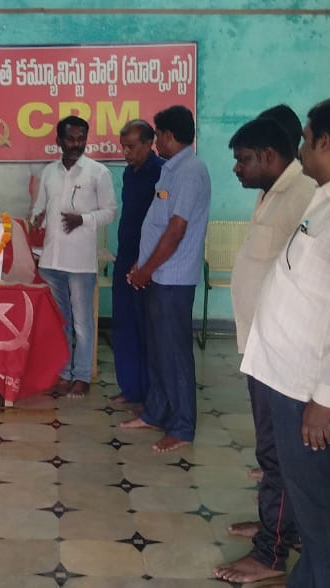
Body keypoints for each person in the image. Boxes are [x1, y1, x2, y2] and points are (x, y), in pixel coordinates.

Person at [240, 96, 330, 586]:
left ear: (326, 142)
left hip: (307, 390)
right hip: (285, 378)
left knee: (324, 506)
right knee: (306, 501)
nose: (300, 149)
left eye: (305, 139)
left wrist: (325, 399)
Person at [213, 110, 313, 585]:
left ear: (270, 155)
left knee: (279, 454)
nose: (237, 168)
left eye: (243, 160)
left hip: (282, 350)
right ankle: (276, 525)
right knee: (271, 450)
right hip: (261, 344)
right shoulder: (272, 191)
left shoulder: (302, 194)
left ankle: (271, 553)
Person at [118, 105, 211, 453]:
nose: (156, 143)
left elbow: (176, 230)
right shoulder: (173, 170)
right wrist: (141, 265)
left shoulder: (190, 171)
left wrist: (145, 270)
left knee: (174, 355)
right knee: (158, 351)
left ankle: (182, 427)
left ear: (169, 136)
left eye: (157, 136)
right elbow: (158, 225)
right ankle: (156, 413)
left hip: (173, 279)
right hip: (158, 274)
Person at [32, 115, 117, 398]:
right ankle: (64, 372)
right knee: (61, 321)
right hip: (50, 261)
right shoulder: (49, 172)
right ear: (59, 141)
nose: (76, 144)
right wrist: (37, 218)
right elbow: (39, 209)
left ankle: (81, 375)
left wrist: (83, 219)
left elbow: (110, 212)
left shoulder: (98, 173)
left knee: (82, 322)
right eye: (70, 139)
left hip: (80, 261)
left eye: (81, 139)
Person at [108, 119, 163, 405]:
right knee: (124, 324)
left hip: (148, 263)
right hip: (125, 256)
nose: (125, 153)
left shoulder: (161, 172)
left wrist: (145, 263)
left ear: (149, 144)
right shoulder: (130, 174)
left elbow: (163, 224)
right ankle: (130, 388)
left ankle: (150, 394)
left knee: (146, 329)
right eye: (123, 147)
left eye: (131, 147)